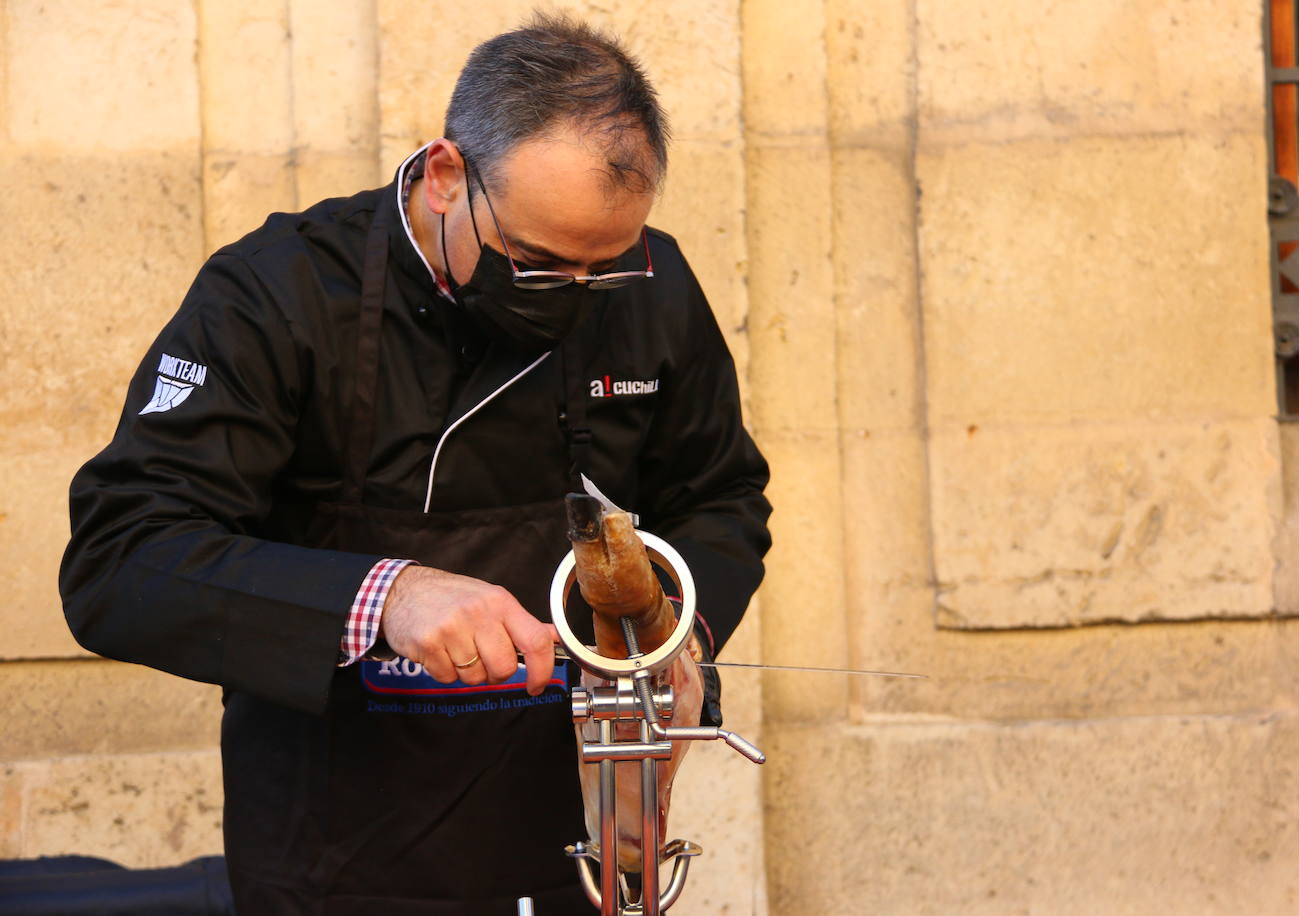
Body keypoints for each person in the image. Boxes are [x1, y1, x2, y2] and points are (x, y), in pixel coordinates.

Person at [58, 14, 770, 914]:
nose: (574, 301)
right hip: (333, 858)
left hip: (569, 847)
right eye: (540, 265)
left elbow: (721, 498)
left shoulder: (652, 285)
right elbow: (121, 561)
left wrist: (680, 636)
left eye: (604, 269)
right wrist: (387, 596)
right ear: (444, 176)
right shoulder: (275, 295)